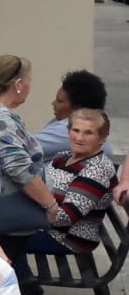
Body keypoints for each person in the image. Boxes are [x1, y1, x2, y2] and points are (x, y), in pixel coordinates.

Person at [0, 56, 55, 243]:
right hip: (7, 214)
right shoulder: (0, 118)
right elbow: (19, 169)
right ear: (19, 84)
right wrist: (50, 204)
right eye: (29, 81)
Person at [31, 108, 116, 258]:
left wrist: (26, 215)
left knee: (3, 236)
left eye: (88, 133)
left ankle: (22, 280)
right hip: (47, 228)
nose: (79, 138)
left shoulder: (97, 170)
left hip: (67, 239)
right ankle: (21, 279)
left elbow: (66, 217)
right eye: (75, 130)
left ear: (102, 138)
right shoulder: (62, 158)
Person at [33, 70, 108, 159]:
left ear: (78, 109)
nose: (53, 103)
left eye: (60, 101)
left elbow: (19, 149)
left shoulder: (68, 130)